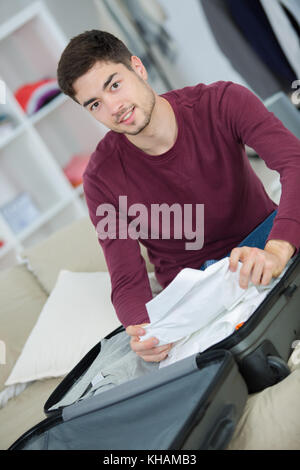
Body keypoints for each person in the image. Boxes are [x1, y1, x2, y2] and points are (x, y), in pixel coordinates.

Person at [57, 30, 299, 363]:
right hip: (195, 289)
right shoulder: (100, 179)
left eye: (114, 85)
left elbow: (294, 164)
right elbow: (126, 274)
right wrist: (141, 328)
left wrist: (277, 248)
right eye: (95, 104)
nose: (114, 107)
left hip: (266, 242)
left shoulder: (223, 102)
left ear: (137, 68)